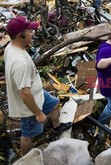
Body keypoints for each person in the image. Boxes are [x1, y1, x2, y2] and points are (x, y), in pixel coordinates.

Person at [4, 16, 71, 156]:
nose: (33, 33)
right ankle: (27, 159)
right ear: (20, 35)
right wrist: (38, 113)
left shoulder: (11, 46)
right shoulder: (20, 62)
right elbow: (24, 93)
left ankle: (57, 127)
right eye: (30, 31)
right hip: (29, 105)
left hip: (38, 93)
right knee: (28, 134)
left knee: (54, 103)